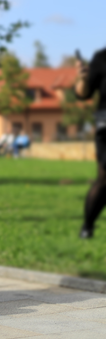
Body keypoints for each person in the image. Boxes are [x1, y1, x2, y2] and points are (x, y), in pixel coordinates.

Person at [74, 48, 106, 238]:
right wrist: (84, 78)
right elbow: (83, 94)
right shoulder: (102, 58)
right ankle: (88, 226)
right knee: (104, 179)